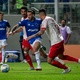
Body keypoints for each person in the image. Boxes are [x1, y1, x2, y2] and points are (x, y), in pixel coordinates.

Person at [26, 9, 80, 73]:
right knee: (61, 56)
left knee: (49, 61)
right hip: (60, 40)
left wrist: (31, 36)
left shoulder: (45, 21)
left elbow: (41, 32)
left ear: (40, 15)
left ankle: (66, 69)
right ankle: (78, 60)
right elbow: (58, 27)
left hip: (56, 42)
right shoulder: (51, 18)